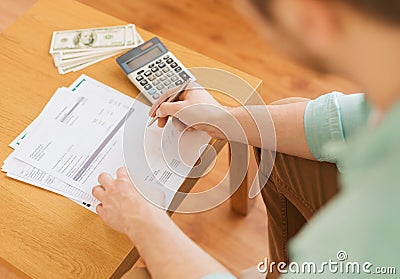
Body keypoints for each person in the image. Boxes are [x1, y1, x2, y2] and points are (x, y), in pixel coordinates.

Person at [92, 0, 400, 278]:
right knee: (277, 133)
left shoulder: (374, 229)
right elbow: (343, 119)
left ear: (311, 18)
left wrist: (141, 220)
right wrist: (221, 119)